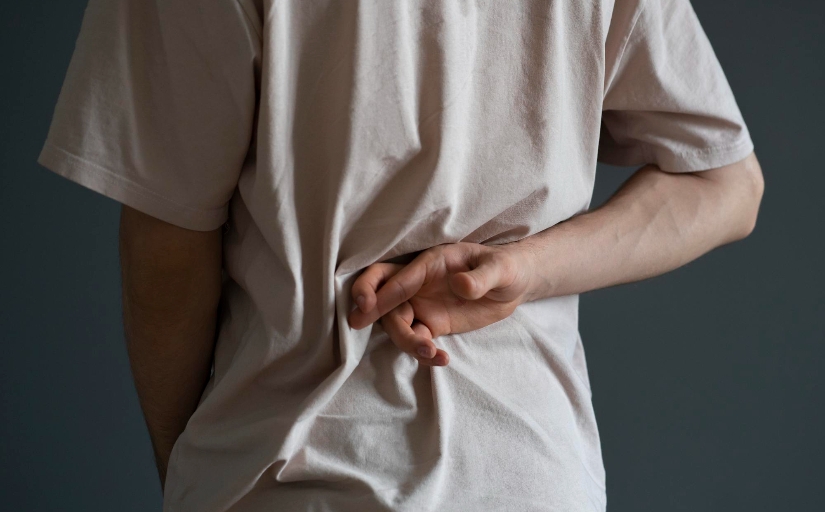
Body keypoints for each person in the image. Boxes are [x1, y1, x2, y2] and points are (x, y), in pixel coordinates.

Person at [37, 0, 764, 510]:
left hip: (288, 475)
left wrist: (186, 467)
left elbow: (169, 239)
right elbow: (726, 183)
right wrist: (520, 270)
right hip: (529, 477)